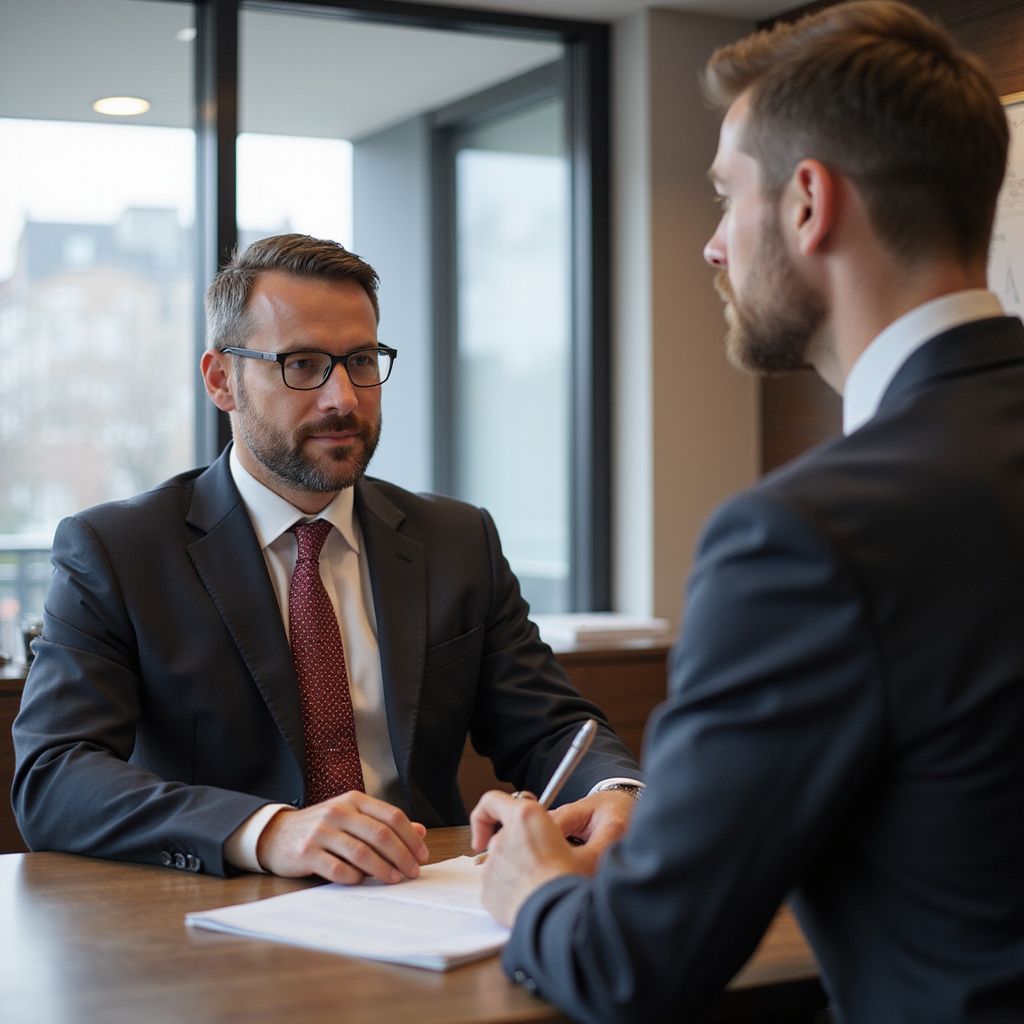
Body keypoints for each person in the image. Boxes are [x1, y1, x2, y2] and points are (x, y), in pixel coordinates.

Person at [472, 3, 1024, 1021]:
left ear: (808, 203)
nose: (712, 245)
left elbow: (632, 967)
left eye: (726, 196)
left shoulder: (805, 533)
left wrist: (534, 890)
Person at [11, 233, 642, 884]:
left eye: (361, 360)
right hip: (211, 924)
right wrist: (269, 831)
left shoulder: (457, 541)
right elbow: (54, 777)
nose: (343, 397)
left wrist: (618, 793)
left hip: (426, 900)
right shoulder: (119, 551)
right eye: (303, 365)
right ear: (221, 379)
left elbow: (552, 729)